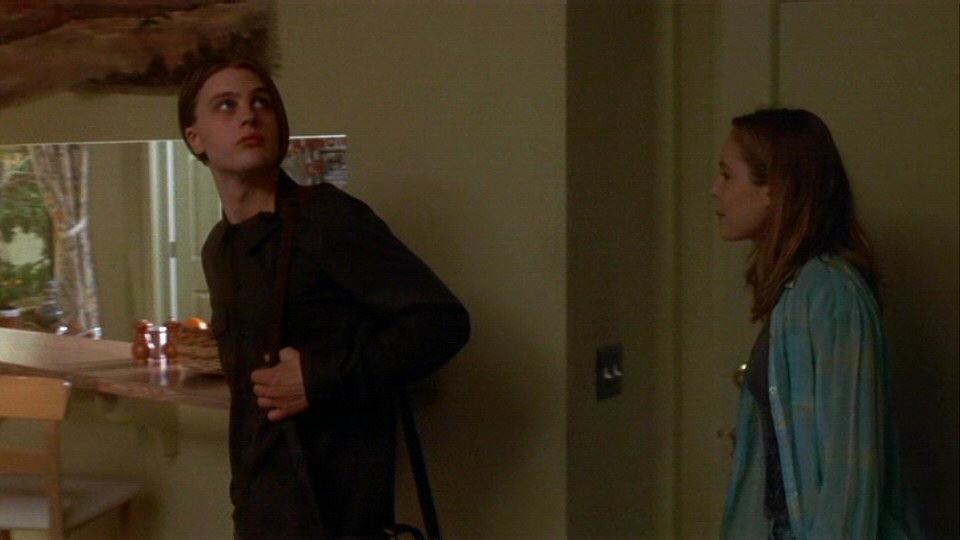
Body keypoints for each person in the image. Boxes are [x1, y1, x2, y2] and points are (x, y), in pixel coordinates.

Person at [177, 58, 470, 539]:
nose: (249, 115)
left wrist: (318, 377)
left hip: (339, 514)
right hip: (259, 510)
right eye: (226, 105)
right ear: (196, 138)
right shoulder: (219, 248)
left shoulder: (328, 219)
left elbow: (441, 324)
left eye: (261, 102)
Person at [712, 108, 919, 539]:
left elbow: (851, 471)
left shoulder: (831, 294)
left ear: (773, 190)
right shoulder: (795, 291)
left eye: (727, 175)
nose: (715, 189)